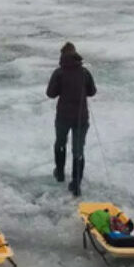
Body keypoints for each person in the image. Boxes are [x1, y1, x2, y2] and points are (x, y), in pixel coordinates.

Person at [46, 42, 96, 196]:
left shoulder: (59, 73)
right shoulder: (84, 73)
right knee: (78, 150)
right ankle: (76, 184)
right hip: (81, 117)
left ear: (62, 55)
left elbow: (50, 93)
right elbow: (92, 92)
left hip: (63, 117)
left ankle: (60, 173)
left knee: (60, 143)